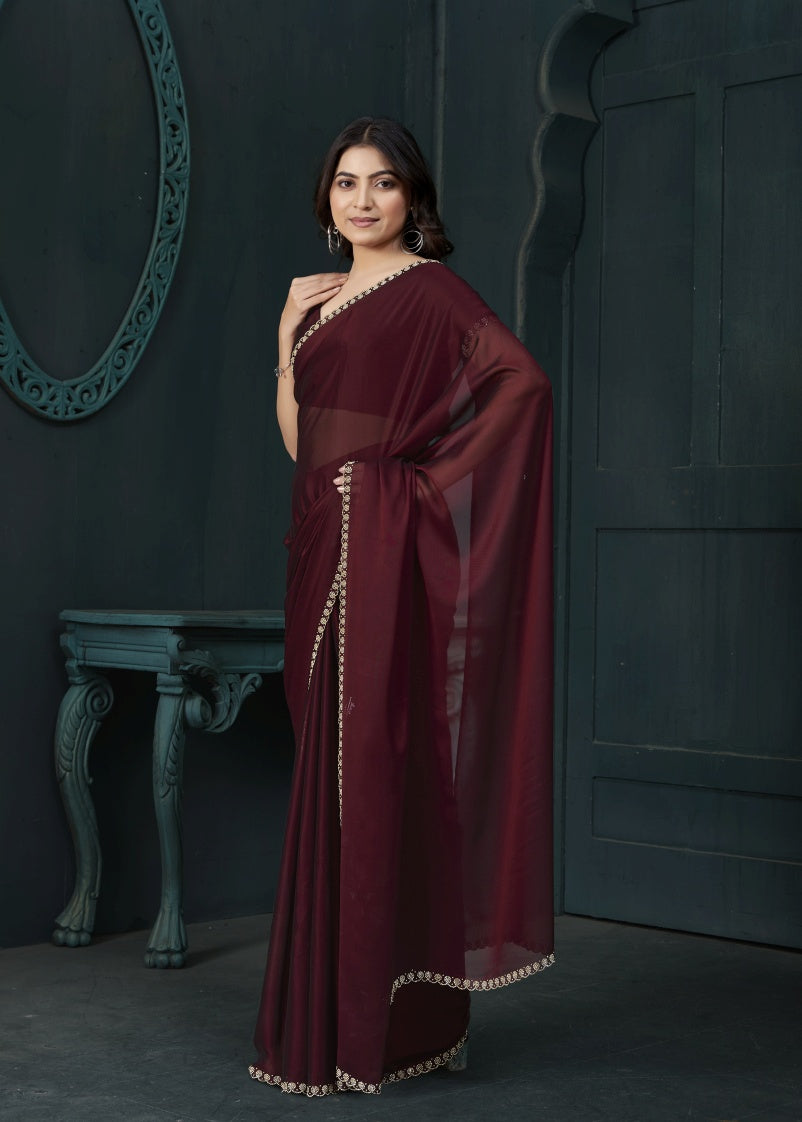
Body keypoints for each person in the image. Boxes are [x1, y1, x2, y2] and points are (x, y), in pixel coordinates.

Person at [250, 117, 554, 1097]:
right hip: (317, 553)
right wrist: (285, 342)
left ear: (412, 197)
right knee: (326, 781)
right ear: (327, 199)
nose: (364, 200)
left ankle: (383, 1027)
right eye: (347, 183)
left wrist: (407, 491)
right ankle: (334, 1013)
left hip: (373, 552)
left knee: (375, 777)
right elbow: (303, 444)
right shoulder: (320, 301)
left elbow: (522, 385)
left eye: (383, 183)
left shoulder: (430, 294)